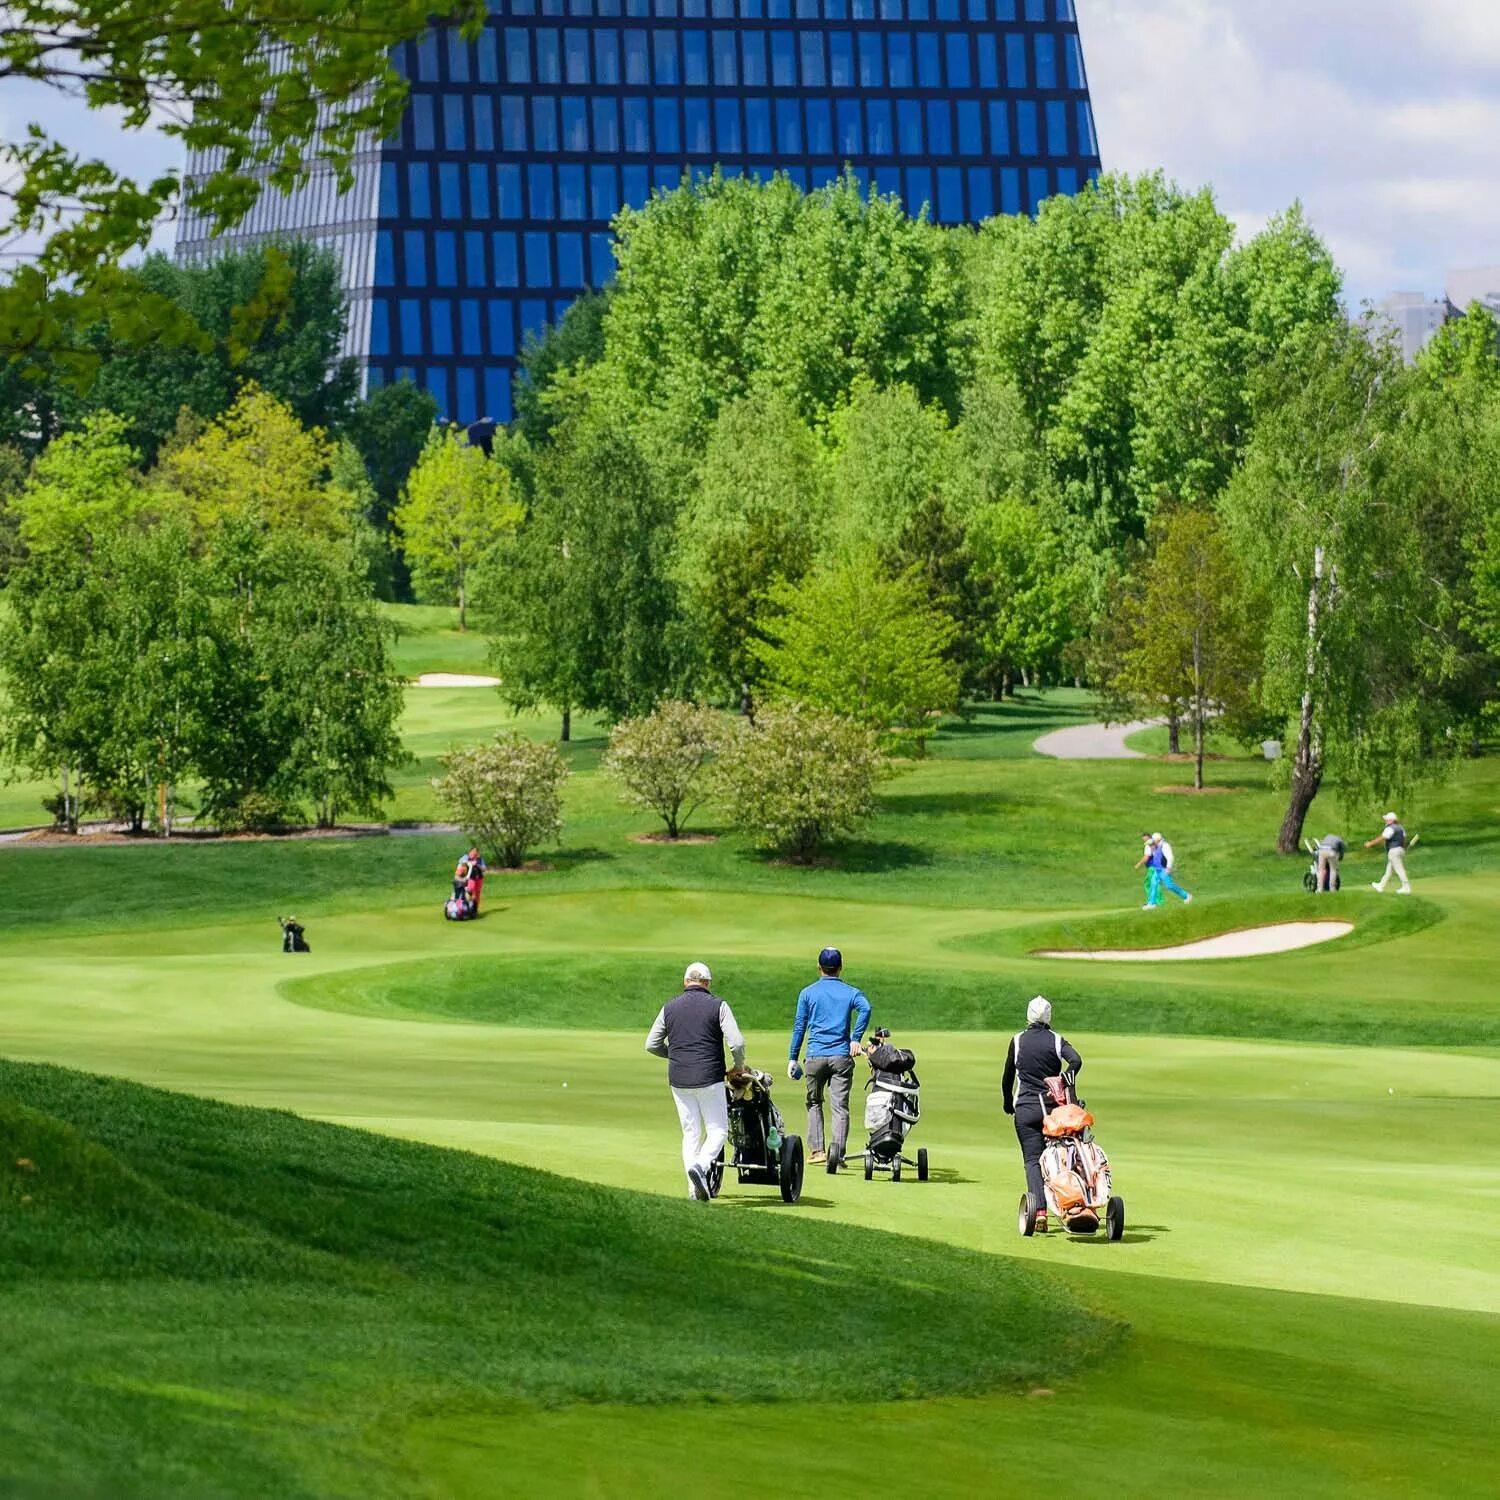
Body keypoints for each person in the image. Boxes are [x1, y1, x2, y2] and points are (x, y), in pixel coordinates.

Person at [645, 961, 746, 1202]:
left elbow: (651, 1044)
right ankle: (700, 1167)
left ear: (685, 982)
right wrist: (739, 1068)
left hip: (679, 1079)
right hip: (710, 1076)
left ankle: (693, 1191)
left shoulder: (669, 1007)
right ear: (708, 984)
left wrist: (676, 1054)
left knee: (690, 1133)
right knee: (718, 1130)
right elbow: (737, 1043)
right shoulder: (718, 1005)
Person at [1002, 995, 1083, 1235]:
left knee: (1032, 1160)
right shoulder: (1057, 1040)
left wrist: (1008, 1103)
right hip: (1054, 1111)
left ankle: (1039, 1212)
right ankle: (1069, 1205)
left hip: (1026, 1108)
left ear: (1028, 1016)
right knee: (1060, 1157)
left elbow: (1007, 1078)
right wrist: (1069, 1074)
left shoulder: (1017, 1041)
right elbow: (1076, 1060)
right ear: (1049, 1017)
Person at [787, 947, 871, 1167]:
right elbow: (866, 1009)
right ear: (840, 967)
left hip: (815, 1056)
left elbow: (799, 1027)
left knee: (814, 1102)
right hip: (841, 1056)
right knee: (840, 1106)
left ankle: (817, 1151)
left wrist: (792, 1058)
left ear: (819, 966)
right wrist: (855, 1038)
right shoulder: (851, 992)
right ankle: (838, 1154)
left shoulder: (808, 993)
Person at [1366, 813, 1411, 894]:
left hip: (1393, 851)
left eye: (1387, 819)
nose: (1385, 821)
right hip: (1400, 850)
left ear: (1391, 820)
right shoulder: (1401, 828)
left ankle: (1406, 888)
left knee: (1399, 869)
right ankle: (1381, 886)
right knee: (1389, 871)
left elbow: (1382, 838)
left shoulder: (1390, 829)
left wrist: (1370, 843)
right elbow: (1404, 840)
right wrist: (1403, 848)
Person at [1150, 833, 1192, 904]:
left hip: (1164, 869)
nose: (1153, 842)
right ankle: (1151, 903)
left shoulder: (1165, 845)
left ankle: (1186, 896)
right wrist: (1153, 849)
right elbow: (1156, 857)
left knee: (1169, 885)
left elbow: (1170, 857)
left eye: (1154, 840)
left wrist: (1168, 868)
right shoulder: (1156, 846)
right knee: (1153, 884)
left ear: (1157, 840)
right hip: (1157, 870)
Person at [1133, 833, 1162, 909]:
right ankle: (1154, 901)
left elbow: (1146, 857)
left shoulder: (1148, 846)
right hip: (1155, 867)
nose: (1145, 840)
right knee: (1152, 883)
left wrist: (1138, 864)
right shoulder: (1154, 845)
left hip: (1152, 867)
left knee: (1149, 884)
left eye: (1146, 839)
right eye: (1144, 839)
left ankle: (1154, 902)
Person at [463, 846, 487, 914]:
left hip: (479, 878)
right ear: (470, 852)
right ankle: (467, 907)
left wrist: (478, 864)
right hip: (471, 877)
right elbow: (462, 863)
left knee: (477, 893)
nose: (474, 853)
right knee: (470, 890)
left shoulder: (480, 859)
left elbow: (484, 869)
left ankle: (475, 909)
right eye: (473, 851)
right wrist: (469, 862)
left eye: (476, 852)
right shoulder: (466, 857)